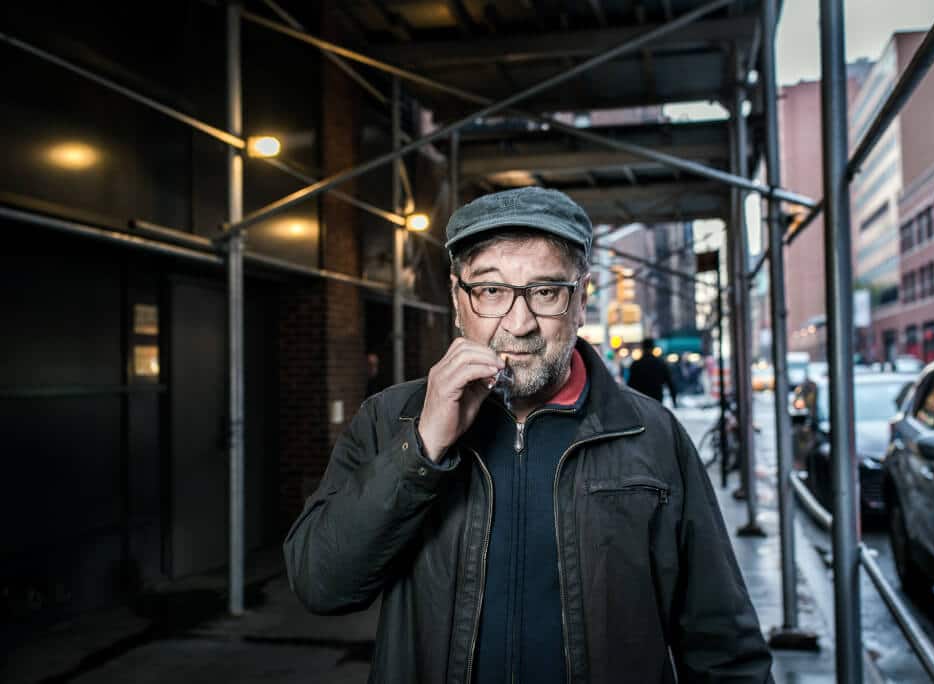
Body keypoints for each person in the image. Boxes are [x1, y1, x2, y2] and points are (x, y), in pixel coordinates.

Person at [284, 187, 773, 683]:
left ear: (580, 300)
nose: (519, 325)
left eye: (545, 292)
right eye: (491, 291)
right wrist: (422, 448)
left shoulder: (651, 435)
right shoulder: (390, 420)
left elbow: (724, 649)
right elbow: (321, 584)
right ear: (457, 299)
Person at [627, 338, 679, 407]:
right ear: (653, 348)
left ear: (643, 348)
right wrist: (674, 401)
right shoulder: (660, 363)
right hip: (656, 398)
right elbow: (670, 383)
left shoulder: (636, 364)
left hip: (641, 400)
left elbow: (630, 384)